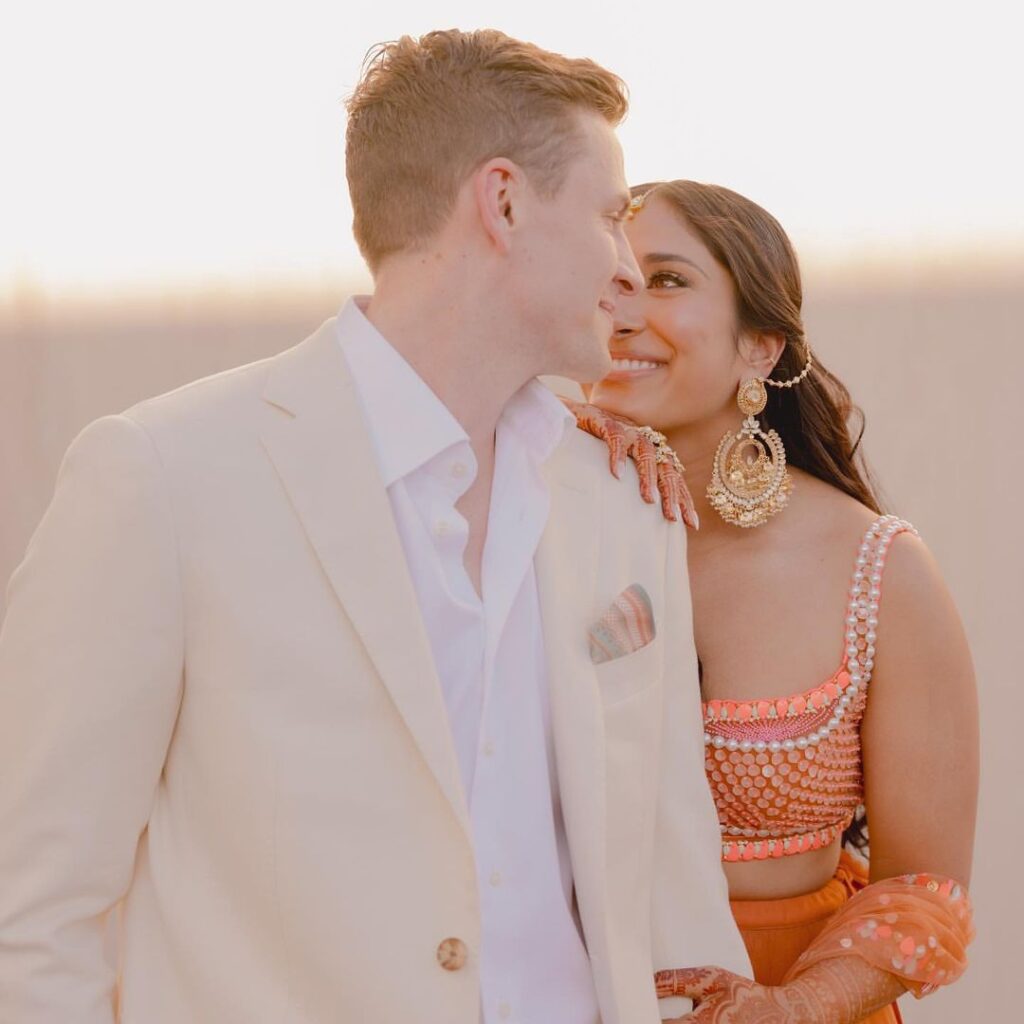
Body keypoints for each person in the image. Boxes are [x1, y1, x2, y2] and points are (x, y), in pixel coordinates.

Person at [0, 33, 749, 1024]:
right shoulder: (163, 477)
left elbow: (675, 900)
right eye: (610, 216)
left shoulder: (623, 501)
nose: (623, 268)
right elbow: (37, 906)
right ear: (504, 202)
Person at [573, 180, 978, 1023]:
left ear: (760, 348)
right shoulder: (530, 522)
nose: (621, 310)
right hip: (565, 991)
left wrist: (792, 1007)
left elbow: (926, 889)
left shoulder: (877, 568)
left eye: (667, 279)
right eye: (608, 277)